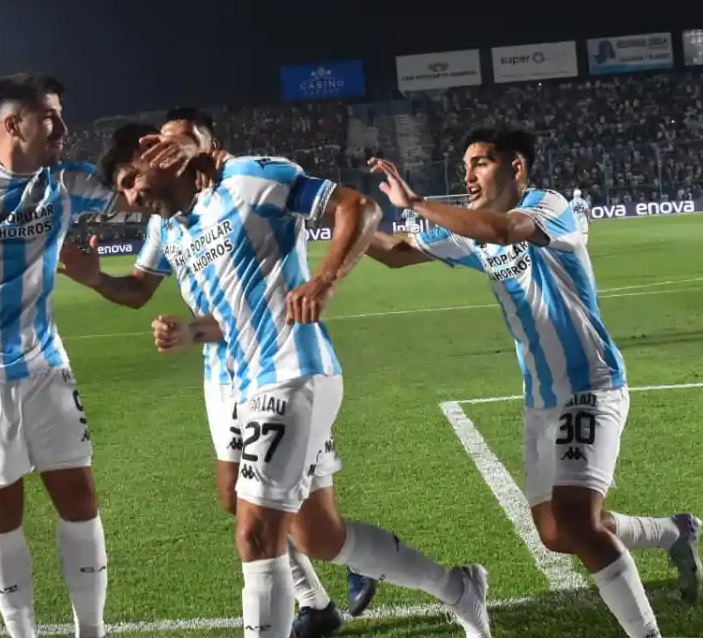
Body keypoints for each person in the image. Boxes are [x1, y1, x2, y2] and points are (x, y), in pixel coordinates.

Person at [98, 126, 492, 638]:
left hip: (292, 372)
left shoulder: (249, 177)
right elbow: (236, 317)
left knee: (257, 532)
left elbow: (360, 208)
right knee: (320, 536)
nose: (130, 199)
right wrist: (193, 330)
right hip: (244, 384)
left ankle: (313, 611)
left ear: (155, 151)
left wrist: (324, 279)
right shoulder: (177, 229)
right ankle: (458, 586)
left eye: (130, 180)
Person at [0, 73, 205, 638]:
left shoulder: (68, 182)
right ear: (14, 124)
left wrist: (187, 147)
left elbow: (142, 190)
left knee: (79, 494)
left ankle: (92, 631)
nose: (63, 127)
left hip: (44, 363)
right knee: (0, 509)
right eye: (51, 117)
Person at [365, 128, 703, 638]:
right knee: (556, 531)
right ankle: (673, 531)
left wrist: (414, 201)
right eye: (467, 166)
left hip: (590, 381)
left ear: (516, 168)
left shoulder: (549, 207)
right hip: (542, 397)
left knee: (574, 518)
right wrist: (330, 217)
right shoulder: (469, 231)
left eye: (481, 162)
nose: (469, 175)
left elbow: (503, 231)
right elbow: (394, 250)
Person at [60, 111, 378, 637]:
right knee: (238, 500)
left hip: (278, 363)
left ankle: (343, 571)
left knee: (279, 517)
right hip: (221, 368)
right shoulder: (169, 220)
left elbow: (350, 211)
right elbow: (139, 290)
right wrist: (98, 282)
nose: (176, 148)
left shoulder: (242, 184)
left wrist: (324, 278)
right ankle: (316, 601)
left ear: (207, 146)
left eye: (187, 139)